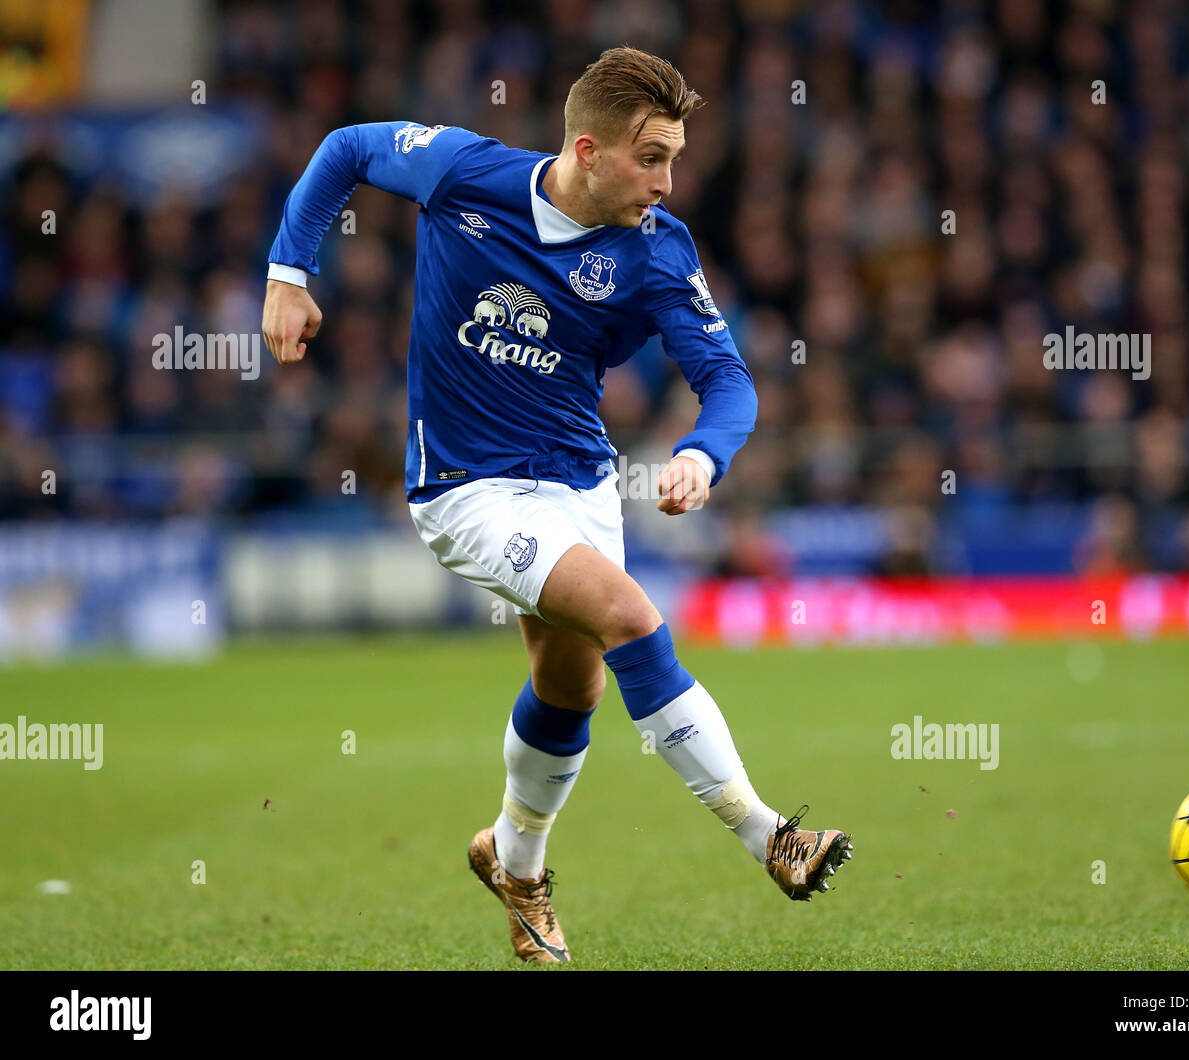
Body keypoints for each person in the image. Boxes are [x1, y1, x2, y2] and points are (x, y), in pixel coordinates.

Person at [261, 46, 850, 964]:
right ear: (587, 149)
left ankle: (514, 862)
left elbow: (729, 381)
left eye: (675, 159)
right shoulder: (465, 173)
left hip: (581, 484)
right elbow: (344, 148)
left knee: (567, 686)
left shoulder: (658, 251)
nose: (666, 180)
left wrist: (703, 450)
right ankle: (769, 834)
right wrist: (290, 273)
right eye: (651, 157)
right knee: (629, 617)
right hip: (467, 488)